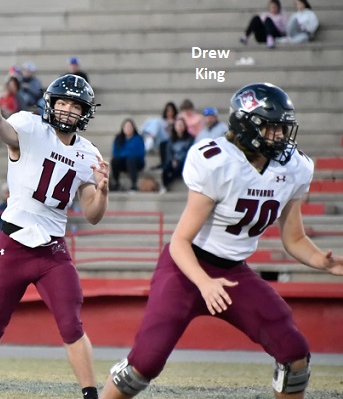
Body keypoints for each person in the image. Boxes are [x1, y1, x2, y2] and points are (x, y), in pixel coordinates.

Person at [100, 83, 343, 399]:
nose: (280, 136)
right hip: (185, 269)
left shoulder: (295, 167)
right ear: (247, 126)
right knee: (144, 364)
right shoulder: (217, 161)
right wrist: (204, 282)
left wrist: (323, 262)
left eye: (283, 128)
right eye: (271, 128)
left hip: (233, 273)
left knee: (294, 353)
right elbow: (180, 242)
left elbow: (294, 237)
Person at [0, 74, 109, 399]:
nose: (68, 110)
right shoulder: (29, 126)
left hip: (52, 252)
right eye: (63, 102)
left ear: (85, 112)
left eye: (75, 105)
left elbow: (93, 214)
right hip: (13, 245)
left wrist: (102, 192)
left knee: (72, 326)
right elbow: (2, 129)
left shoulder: (89, 154)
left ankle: (90, 394)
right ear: (51, 104)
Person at [0, 76, 27, 149]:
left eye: (13, 85)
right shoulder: (4, 97)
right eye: (10, 86)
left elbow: (19, 109)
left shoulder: (17, 97)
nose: (11, 88)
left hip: (15, 117)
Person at [110, 118, 145, 193]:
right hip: (123, 163)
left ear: (133, 128)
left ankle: (134, 185)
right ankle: (116, 183)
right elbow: (115, 153)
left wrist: (124, 154)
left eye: (130, 126)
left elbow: (140, 153)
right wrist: (128, 154)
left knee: (131, 160)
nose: (128, 129)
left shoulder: (138, 139)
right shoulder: (118, 138)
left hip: (136, 162)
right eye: (126, 127)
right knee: (114, 161)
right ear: (123, 128)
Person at [160, 117, 194, 192]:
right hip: (173, 160)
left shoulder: (190, 139)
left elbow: (189, 152)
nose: (179, 127)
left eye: (181, 125)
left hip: (184, 161)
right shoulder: (171, 139)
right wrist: (173, 160)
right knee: (165, 168)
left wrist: (179, 161)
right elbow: (169, 152)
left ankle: (168, 181)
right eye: (178, 125)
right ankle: (164, 186)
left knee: (180, 168)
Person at [140, 101, 178, 167]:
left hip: (170, 139)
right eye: (168, 111)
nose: (170, 113)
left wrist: (171, 125)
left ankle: (150, 137)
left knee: (157, 122)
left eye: (171, 111)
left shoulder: (177, 121)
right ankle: (148, 135)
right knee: (152, 120)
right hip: (159, 138)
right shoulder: (162, 120)